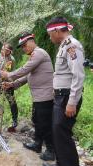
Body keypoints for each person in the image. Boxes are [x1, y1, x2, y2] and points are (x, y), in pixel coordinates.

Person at [0, 32, 55, 161]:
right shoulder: (34, 56)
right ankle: (37, 144)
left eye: (25, 45)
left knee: (45, 124)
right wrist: (12, 84)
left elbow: (25, 69)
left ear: (31, 41)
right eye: (22, 47)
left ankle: (51, 151)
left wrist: (8, 75)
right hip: (39, 97)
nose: (24, 49)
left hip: (45, 96)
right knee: (36, 120)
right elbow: (28, 76)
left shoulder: (39, 53)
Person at [43, 17, 85, 166]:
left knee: (62, 133)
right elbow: (63, 74)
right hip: (61, 96)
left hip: (68, 97)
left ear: (56, 30)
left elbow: (78, 76)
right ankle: (61, 162)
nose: (50, 37)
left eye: (50, 33)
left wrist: (72, 101)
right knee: (57, 132)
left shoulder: (72, 46)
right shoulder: (63, 46)